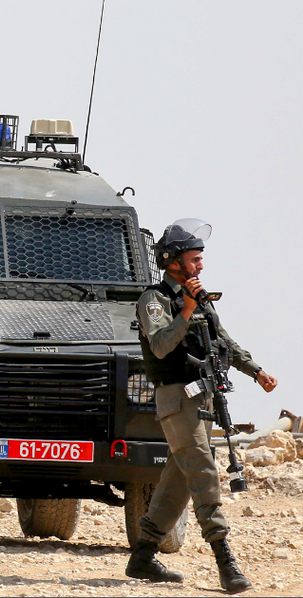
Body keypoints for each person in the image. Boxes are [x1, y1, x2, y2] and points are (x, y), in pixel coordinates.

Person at [126, 218, 277, 593]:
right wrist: (186, 309)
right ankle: (225, 560)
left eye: (200, 259)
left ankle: (142, 555)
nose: (200, 266)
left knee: (179, 476)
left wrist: (256, 372)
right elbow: (161, 345)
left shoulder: (201, 301)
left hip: (202, 396)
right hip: (176, 397)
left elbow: (224, 341)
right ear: (174, 261)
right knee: (203, 469)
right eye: (194, 259)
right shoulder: (154, 300)